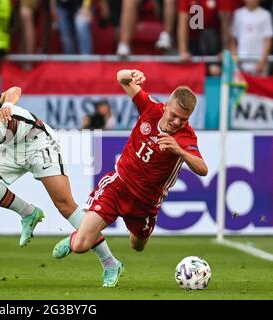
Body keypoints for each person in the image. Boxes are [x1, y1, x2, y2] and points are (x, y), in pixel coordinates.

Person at [0, 86, 123, 287]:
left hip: (38, 141)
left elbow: (14, 90)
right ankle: (28, 213)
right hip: (12, 148)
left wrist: (9, 104)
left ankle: (110, 263)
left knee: (65, 205)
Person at [52, 69, 208, 281]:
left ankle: (87, 237)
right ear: (166, 107)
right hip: (119, 186)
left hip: (146, 202)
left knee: (137, 246)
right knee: (80, 245)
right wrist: (131, 74)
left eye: (183, 119)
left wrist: (179, 151)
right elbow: (120, 78)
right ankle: (88, 248)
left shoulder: (186, 136)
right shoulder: (151, 108)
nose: (177, 122)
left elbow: (203, 169)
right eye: (174, 115)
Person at [231, 0, 273, 76]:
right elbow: (233, 40)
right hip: (241, 61)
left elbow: (268, 39)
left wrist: (262, 62)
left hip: (258, 61)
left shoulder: (265, 15)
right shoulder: (238, 14)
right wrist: (235, 61)